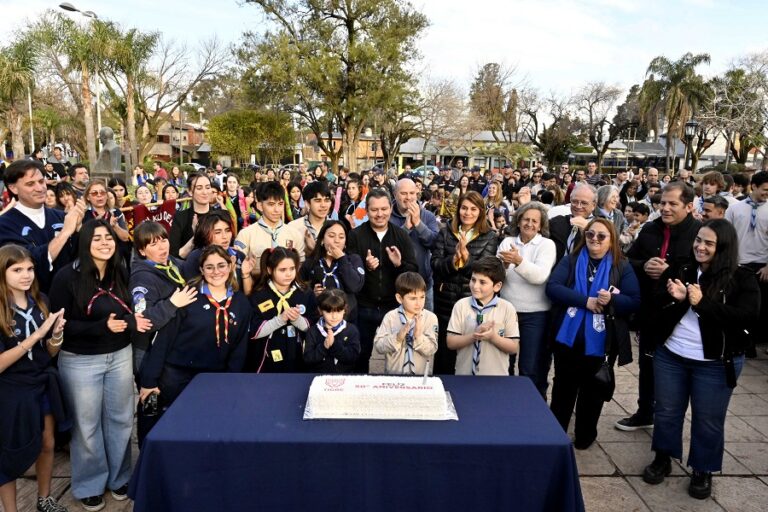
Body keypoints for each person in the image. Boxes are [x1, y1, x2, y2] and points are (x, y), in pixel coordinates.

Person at [641, 220, 759, 499]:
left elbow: (747, 318)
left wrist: (702, 302)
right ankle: (663, 457)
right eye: (698, 240)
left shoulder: (741, 278)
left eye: (708, 243)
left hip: (715, 363)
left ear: (724, 247)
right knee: (667, 411)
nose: (700, 247)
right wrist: (678, 298)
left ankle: (702, 470)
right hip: (671, 355)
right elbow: (656, 304)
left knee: (708, 419)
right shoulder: (682, 268)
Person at [49, 220, 152, 511]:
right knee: (86, 425)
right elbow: (59, 326)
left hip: (120, 355)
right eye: (97, 239)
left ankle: (120, 478)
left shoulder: (120, 270)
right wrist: (100, 326)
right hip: (81, 360)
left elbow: (130, 310)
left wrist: (131, 322)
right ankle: (90, 484)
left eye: (109, 237)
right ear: (85, 243)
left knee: (120, 420)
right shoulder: (66, 277)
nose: (105, 243)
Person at [546, 218, 641, 449]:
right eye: (590, 235)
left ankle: (585, 435)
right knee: (563, 390)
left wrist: (612, 300)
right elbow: (553, 287)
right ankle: (556, 433)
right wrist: (585, 301)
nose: (595, 240)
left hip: (603, 344)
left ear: (612, 240)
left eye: (601, 236)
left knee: (593, 392)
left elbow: (634, 300)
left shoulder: (622, 265)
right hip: (568, 341)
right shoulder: (571, 260)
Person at [616, 182, 701, 432]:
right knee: (647, 363)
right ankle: (645, 411)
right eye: (662, 202)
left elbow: (703, 273)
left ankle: (669, 420)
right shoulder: (651, 229)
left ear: (689, 206)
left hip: (682, 315)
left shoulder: (700, 233)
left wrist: (669, 272)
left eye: (672, 204)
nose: (665, 208)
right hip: (650, 311)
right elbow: (628, 259)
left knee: (674, 372)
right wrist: (644, 265)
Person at [138, 243, 251, 417]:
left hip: (215, 377)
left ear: (230, 266)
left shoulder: (241, 303)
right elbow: (163, 340)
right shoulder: (188, 296)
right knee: (175, 424)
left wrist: (231, 380)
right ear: (201, 269)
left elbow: (239, 348)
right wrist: (149, 380)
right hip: (177, 376)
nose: (216, 272)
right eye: (209, 267)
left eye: (221, 265)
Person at [0, 245, 69, 512]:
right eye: (17, 270)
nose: (25, 275)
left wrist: (55, 335)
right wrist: (36, 336)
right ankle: (11, 509)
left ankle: (45, 498)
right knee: (9, 450)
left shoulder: (41, 300)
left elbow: (49, 352)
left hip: (40, 381)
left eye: (29, 268)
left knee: (47, 441)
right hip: (10, 389)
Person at [346, 189, 418, 373]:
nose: (379, 214)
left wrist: (399, 264)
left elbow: (414, 272)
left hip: (392, 307)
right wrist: (365, 266)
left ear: (391, 207)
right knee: (361, 353)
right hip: (364, 306)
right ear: (367, 210)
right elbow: (349, 272)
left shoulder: (401, 236)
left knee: (396, 354)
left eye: (384, 209)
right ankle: (359, 392)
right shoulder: (356, 235)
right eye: (374, 210)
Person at [431, 191, 499, 374]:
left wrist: (467, 260)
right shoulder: (445, 232)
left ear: (481, 212)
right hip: (445, 301)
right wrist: (453, 261)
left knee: (470, 354)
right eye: (464, 208)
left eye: (473, 209)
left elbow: (487, 270)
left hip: (473, 303)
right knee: (445, 355)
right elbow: (435, 263)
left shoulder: (490, 236)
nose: (467, 213)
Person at [497, 202, 557, 396]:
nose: (529, 224)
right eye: (526, 219)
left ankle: (532, 405)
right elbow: (496, 277)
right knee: (505, 363)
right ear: (519, 221)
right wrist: (504, 267)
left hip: (536, 314)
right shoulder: (507, 242)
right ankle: (506, 402)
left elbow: (540, 276)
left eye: (534, 221)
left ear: (540, 225)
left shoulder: (547, 245)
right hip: (508, 312)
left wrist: (518, 261)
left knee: (530, 367)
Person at [0, 160, 85, 293]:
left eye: (41, 181)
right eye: (30, 184)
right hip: (35, 302)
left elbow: (78, 257)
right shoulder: (5, 224)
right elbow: (28, 262)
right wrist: (65, 233)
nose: (40, 188)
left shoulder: (61, 216)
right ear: (13, 188)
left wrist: (79, 230)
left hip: (70, 298)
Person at [446, 256, 520, 375]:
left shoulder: (507, 309)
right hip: (464, 376)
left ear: (497, 286)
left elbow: (513, 347)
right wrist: (474, 336)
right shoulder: (461, 305)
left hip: (496, 378)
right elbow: (451, 342)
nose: (475, 286)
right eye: (473, 280)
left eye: (482, 282)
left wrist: (493, 337)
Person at [247, 247, 315, 372]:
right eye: (282, 270)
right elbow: (253, 331)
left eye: (292, 269)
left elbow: (315, 328)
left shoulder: (305, 293)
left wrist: (297, 320)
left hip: (298, 358)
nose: (289, 274)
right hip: (266, 360)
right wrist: (280, 319)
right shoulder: (259, 294)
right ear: (269, 270)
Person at [725, 171, 768, 357]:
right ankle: (742, 343)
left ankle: (754, 340)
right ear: (754, 186)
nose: (767, 193)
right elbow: (726, 236)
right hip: (738, 265)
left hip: (762, 266)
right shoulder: (735, 209)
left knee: (758, 308)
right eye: (765, 189)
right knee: (738, 306)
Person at [299, 220, 365, 323]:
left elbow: (354, 286)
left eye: (341, 237)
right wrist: (313, 293)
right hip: (318, 321)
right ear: (321, 240)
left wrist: (342, 259)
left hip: (347, 320)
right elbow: (300, 291)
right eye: (331, 236)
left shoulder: (353, 260)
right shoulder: (310, 263)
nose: (337, 241)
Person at [373, 272, 439, 375]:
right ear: (399, 298)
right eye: (413, 298)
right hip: (394, 376)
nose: (419, 303)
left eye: (422, 297)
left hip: (421, 379)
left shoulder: (430, 318)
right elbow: (379, 346)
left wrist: (418, 336)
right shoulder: (390, 317)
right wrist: (397, 338)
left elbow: (431, 349)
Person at [390, 178, 440, 312]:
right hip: (396, 285)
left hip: (424, 285)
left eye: (412, 193)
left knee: (425, 327)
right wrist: (405, 228)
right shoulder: (387, 216)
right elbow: (389, 247)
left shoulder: (428, 216)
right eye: (404, 193)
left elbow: (435, 244)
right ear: (395, 194)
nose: (408, 197)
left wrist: (418, 224)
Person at [234, 181, 305, 274]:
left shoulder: (294, 234)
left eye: (280, 204)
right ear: (260, 205)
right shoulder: (246, 235)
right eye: (271, 204)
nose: (277, 210)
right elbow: (238, 272)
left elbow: (300, 267)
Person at [303, 289, 361, 374]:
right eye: (328, 311)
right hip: (318, 377)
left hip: (344, 377)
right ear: (320, 310)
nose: (334, 316)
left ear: (345, 309)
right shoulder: (313, 331)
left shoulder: (351, 330)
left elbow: (353, 357)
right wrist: (323, 347)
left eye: (338, 311)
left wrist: (334, 344)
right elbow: (308, 359)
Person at [169, 174, 217, 258]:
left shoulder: (219, 215)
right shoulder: (180, 217)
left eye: (208, 187)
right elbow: (174, 255)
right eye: (199, 188)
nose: (205, 192)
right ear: (190, 191)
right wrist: (195, 237)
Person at [548, 184, 597, 264]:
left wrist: (587, 231)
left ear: (593, 205)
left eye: (584, 203)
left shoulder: (603, 226)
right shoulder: (557, 222)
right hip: (557, 271)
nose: (578, 206)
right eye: (574, 201)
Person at [288, 181, 332, 257]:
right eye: (318, 201)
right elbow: (287, 258)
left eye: (327, 200)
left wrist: (314, 250)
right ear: (307, 203)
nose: (323, 205)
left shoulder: (336, 227)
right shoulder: (292, 228)